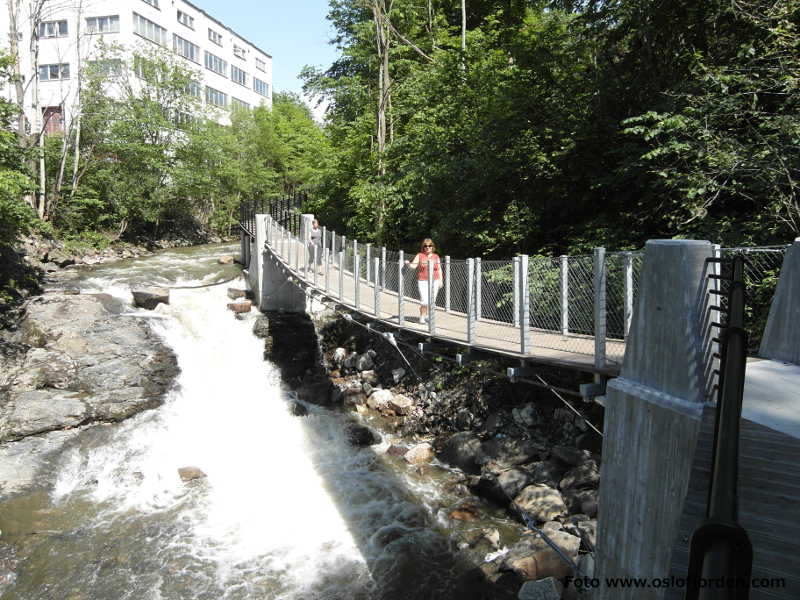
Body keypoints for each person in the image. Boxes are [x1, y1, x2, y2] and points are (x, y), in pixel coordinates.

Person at [405, 238, 442, 324]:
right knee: (424, 300)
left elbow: (439, 269)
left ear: (433, 247)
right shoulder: (420, 255)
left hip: (435, 281)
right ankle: (422, 317)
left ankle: (428, 316)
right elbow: (413, 266)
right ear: (423, 247)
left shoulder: (436, 256)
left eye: (429, 246)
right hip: (423, 281)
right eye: (425, 246)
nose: (427, 247)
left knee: (432, 300)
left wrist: (441, 280)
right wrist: (408, 264)